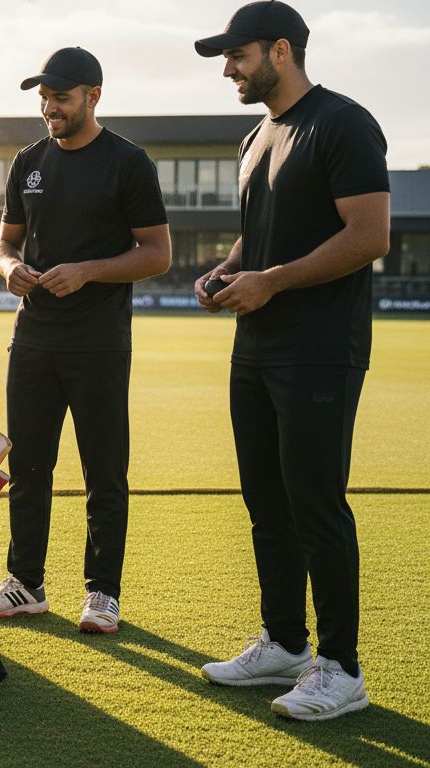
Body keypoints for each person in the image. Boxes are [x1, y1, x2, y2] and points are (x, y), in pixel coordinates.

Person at [193, 1, 389, 721]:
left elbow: (369, 236)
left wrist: (269, 282)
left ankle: (341, 669)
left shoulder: (344, 122)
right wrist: (225, 271)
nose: (227, 69)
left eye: (237, 55)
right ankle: (283, 643)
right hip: (257, 349)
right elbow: (260, 238)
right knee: (267, 504)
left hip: (319, 351)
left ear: (281, 50)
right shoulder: (256, 136)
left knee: (316, 505)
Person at [0, 47, 170, 634]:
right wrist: (8, 268)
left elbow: (157, 254)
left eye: (60, 97)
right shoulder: (28, 161)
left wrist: (86, 270)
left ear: (93, 97)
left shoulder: (128, 163)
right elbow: (4, 241)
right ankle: (25, 584)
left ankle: (102, 592)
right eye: (44, 97)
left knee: (103, 470)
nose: (49, 108)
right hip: (33, 338)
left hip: (99, 342)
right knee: (29, 467)